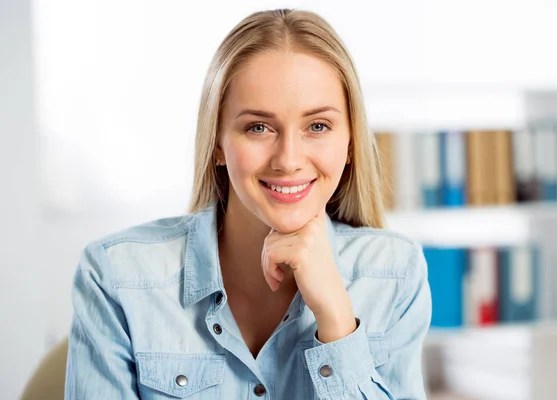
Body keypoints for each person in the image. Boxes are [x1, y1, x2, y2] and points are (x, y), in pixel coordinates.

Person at [65, 8, 431, 399]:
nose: (289, 159)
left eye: (318, 126)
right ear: (218, 143)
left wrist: (338, 323)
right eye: (258, 127)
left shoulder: (395, 275)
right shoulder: (116, 277)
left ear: (350, 144)